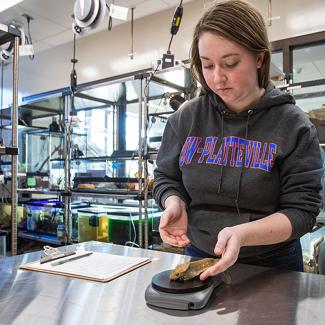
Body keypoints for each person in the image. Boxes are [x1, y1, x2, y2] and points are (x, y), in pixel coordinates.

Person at [153, 0, 323, 281]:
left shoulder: (293, 125)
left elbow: (302, 211)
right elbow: (166, 177)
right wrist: (174, 204)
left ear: (259, 58)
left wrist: (242, 235)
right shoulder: (186, 118)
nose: (218, 78)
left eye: (231, 64)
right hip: (198, 257)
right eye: (207, 65)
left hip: (272, 266)